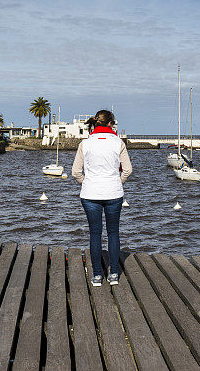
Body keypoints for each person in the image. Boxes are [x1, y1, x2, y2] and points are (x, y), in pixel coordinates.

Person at [72, 109, 132, 286]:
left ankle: (97, 276)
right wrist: (117, 182)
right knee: (113, 233)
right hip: (113, 193)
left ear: (96, 123)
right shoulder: (118, 142)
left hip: (90, 195)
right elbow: (128, 170)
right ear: (111, 124)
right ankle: (114, 274)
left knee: (95, 234)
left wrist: (87, 182)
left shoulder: (85, 143)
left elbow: (76, 172)